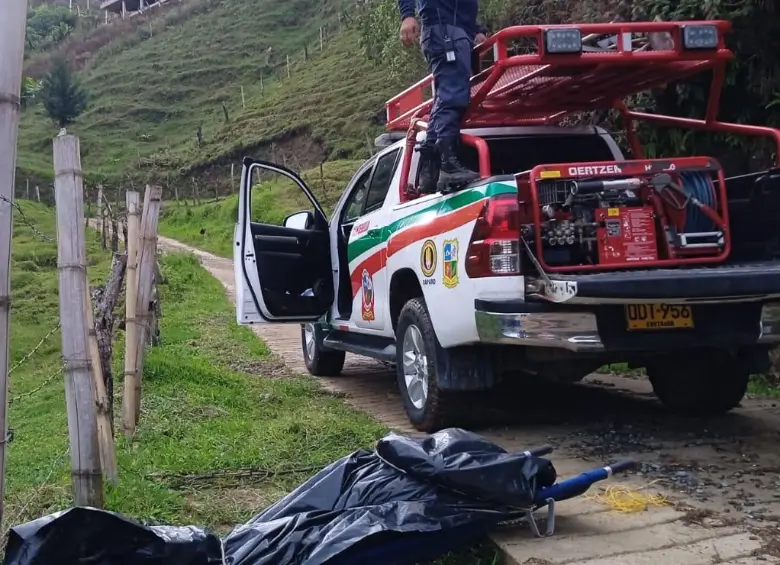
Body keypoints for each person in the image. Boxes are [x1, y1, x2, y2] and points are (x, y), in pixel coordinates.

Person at [398, 0, 488, 193]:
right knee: (453, 96)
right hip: (444, 30)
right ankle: (447, 164)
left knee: (445, 96)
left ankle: (430, 169)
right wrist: (407, 15)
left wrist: (476, 28)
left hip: (453, 30)